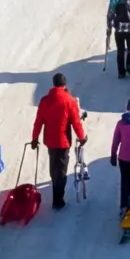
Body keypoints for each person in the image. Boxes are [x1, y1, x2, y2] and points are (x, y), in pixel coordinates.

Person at [31, 72, 88, 209]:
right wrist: (82, 137)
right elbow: (75, 122)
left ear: (53, 84)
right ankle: (58, 200)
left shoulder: (45, 100)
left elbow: (38, 122)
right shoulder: (69, 100)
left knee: (54, 167)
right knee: (62, 170)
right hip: (63, 141)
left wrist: (34, 138)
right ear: (64, 84)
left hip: (50, 141)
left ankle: (56, 192)